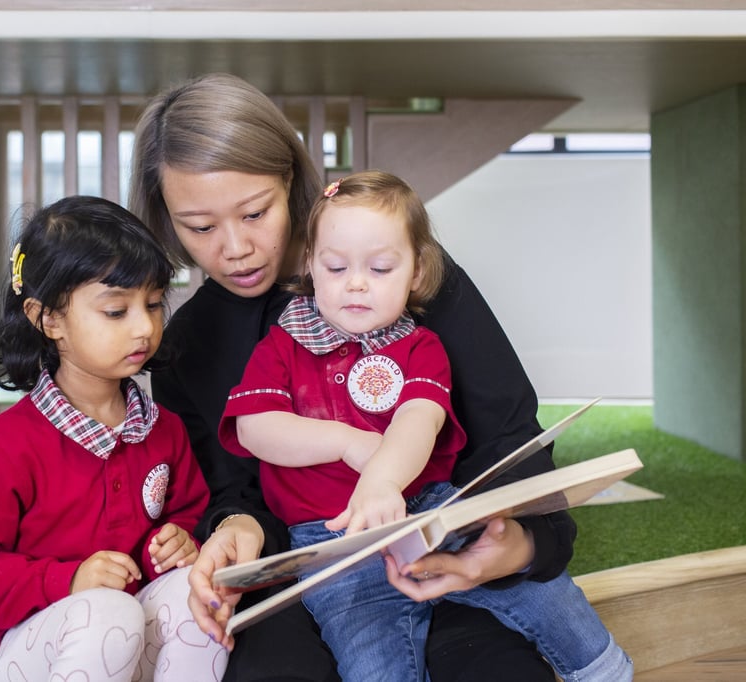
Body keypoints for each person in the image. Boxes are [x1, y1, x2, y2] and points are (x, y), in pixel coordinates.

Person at [129, 72, 577, 682]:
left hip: (440, 550)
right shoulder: (188, 344)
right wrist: (233, 528)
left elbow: (507, 434)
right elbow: (231, 489)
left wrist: (523, 544)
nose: (234, 247)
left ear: (290, 180)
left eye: (255, 212)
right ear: (167, 220)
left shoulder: (404, 278)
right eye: (200, 227)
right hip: (295, 577)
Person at [217, 170, 632, 682]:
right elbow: (256, 428)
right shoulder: (282, 345)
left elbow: (420, 417)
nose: (356, 282)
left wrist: (384, 481)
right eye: (336, 265)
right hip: (333, 543)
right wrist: (347, 443)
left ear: (416, 273)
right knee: (371, 656)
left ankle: (602, 669)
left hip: (429, 509)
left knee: (542, 589)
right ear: (310, 266)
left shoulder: (420, 347)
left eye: (382, 267)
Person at [0, 196, 228, 682]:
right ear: (48, 319)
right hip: (18, 650)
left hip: (118, 637)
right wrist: (66, 580)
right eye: (115, 311)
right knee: (106, 612)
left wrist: (176, 543)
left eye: (151, 305)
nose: (145, 327)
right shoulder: (2, 449)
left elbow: (186, 510)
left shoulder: (163, 428)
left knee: (198, 588)